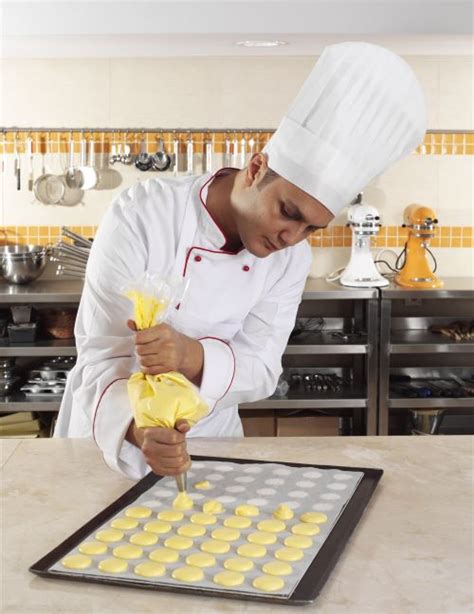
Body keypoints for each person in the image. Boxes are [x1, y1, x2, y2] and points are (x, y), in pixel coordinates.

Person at [54, 42, 427, 480]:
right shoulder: (144, 213)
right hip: (111, 437)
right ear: (255, 169)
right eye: (288, 212)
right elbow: (101, 356)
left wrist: (191, 355)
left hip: (208, 441)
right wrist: (140, 431)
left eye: (311, 228)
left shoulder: (291, 259)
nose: (291, 237)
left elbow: (262, 368)